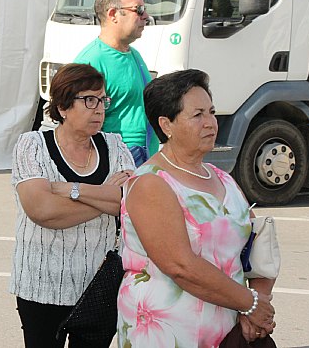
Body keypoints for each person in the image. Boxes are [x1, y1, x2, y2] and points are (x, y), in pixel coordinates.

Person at [117, 69, 277, 346]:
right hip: (168, 331)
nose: (210, 123)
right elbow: (180, 265)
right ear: (166, 125)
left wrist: (256, 304)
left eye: (212, 112)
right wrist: (250, 304)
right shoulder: (151, 183)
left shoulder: (222, 178)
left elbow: (259, 241)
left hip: (228, 327)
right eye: (198, 115)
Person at [10, 64, 135, 348]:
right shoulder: (32, 146)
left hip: (100, 285)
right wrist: (106, 197)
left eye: (103, 100)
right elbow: (42, 211)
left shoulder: (115, 145)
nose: (99, 108)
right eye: (89, 100)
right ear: (64, 107)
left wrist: (73, 190)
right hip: (43, 283)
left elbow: (133, 201)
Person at [74, 0, 158, 166]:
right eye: (139, 10)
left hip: (144, 156)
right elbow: (78, 124)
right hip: (118, 160)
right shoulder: (92, 61)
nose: (146, 16)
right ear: (113, 14)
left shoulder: (134, 54)